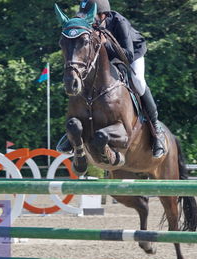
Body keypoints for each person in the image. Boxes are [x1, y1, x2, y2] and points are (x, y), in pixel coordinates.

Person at [57, 0, 166, 158]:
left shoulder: (118, 22)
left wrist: (106, 45)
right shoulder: (87, 26)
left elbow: (127, 55)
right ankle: (72, 135)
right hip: (106, 59)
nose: (89, 20)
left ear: (103, 15)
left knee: (139, 83)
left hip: (131, 54)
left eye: (91, 17)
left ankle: (156, 131)